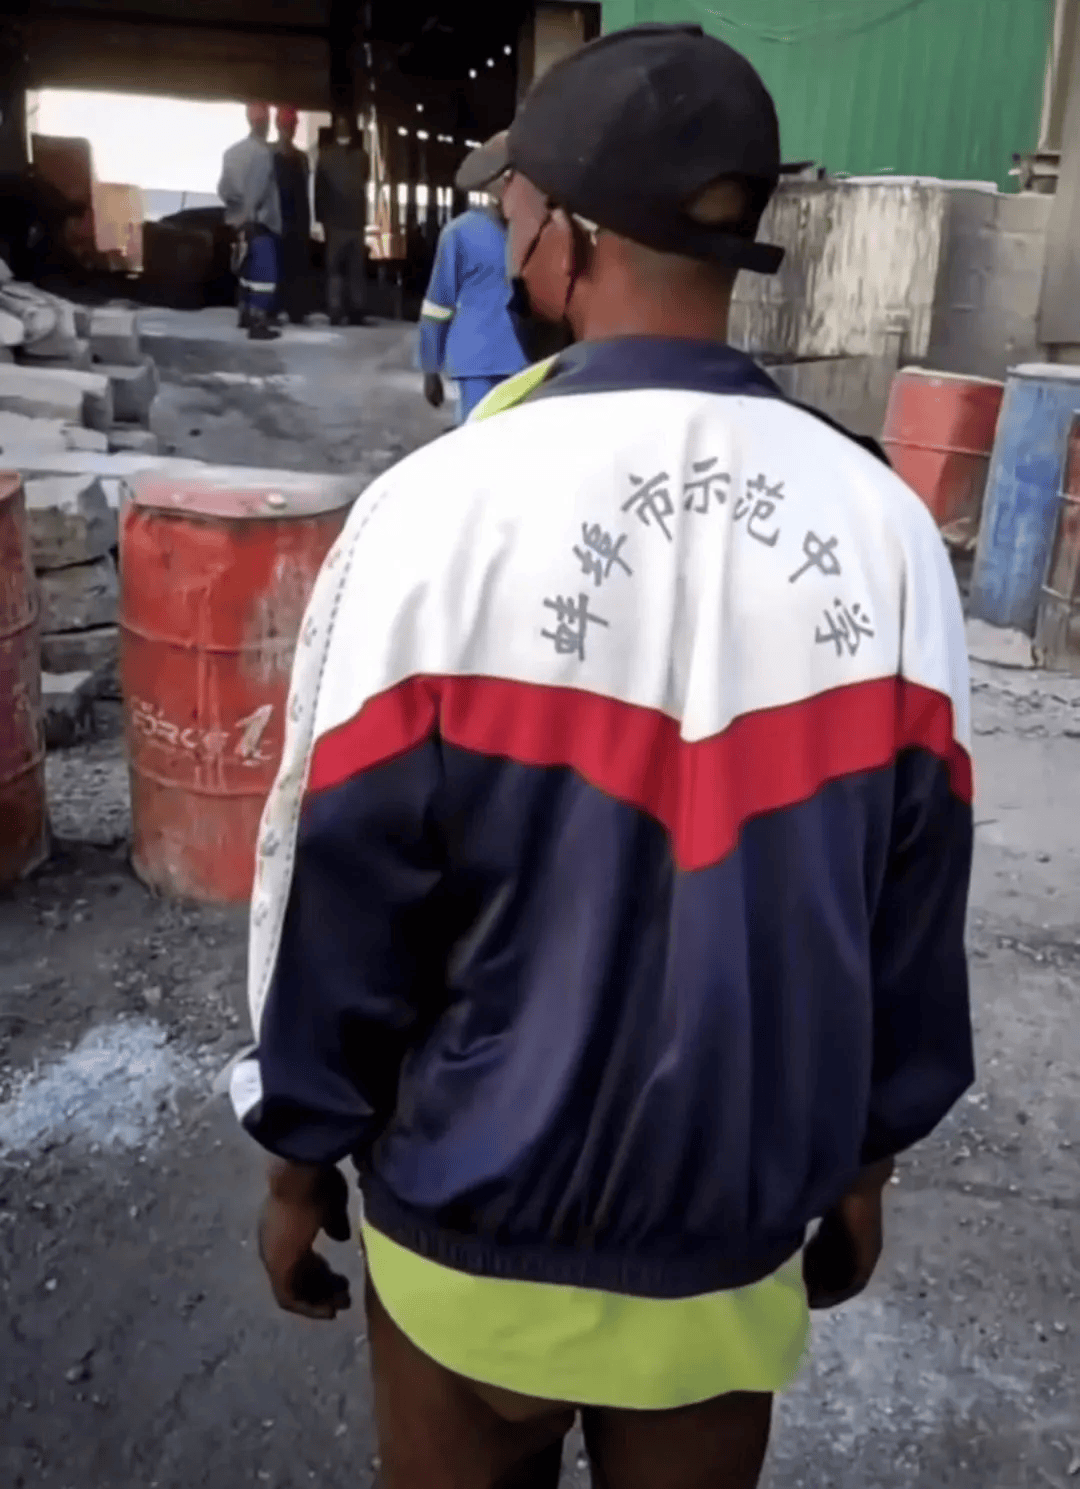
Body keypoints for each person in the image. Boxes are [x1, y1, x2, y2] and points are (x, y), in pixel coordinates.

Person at [232, 24, 974, 1489]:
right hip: (727, 1250)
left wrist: (297, 1155)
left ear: (570, 238)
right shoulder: (885, 526)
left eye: (516, 207)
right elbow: (912, 901)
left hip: (466, 1242)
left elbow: (339, 886)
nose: (506, 234)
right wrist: (868, 1159)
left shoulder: (435, 512)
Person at [418, 159, 530, 425]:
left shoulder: (537, 232)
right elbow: (438, 303)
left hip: (522, 362)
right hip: (478, 363)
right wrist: (430, 368)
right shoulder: (459, 233)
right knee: (478, 438)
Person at [218, 102, 282, 341]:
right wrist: (251, 211)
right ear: (264, 123)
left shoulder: (232, 153)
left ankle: (245, 313)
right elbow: (258, 189)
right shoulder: (263, 154)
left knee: (246, 272)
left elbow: (223, 189)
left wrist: (236, 212)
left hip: (238, 224)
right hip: (260, 222)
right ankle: (258, 320)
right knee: (263, 274)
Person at [315, 113, 369, 326]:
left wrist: (321, 218)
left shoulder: (325, 157)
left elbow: (319, 190)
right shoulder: (362, 157)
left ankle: (336, 308)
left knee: (336, 268)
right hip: (354, 221)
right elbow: (364, 180)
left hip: (336, 221)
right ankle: (355, 309)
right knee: (354, 268)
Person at [272, 105, 312, 325]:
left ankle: (296, 309)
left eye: (292, 125)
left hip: (297, 223)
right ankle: (273, 308)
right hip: (276, 221)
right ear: (278, 126)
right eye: (287, 125)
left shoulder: (301, 158)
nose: (290, 130)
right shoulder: (270, 156)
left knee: (296, 267)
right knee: (275, 266)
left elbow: (304, 193)